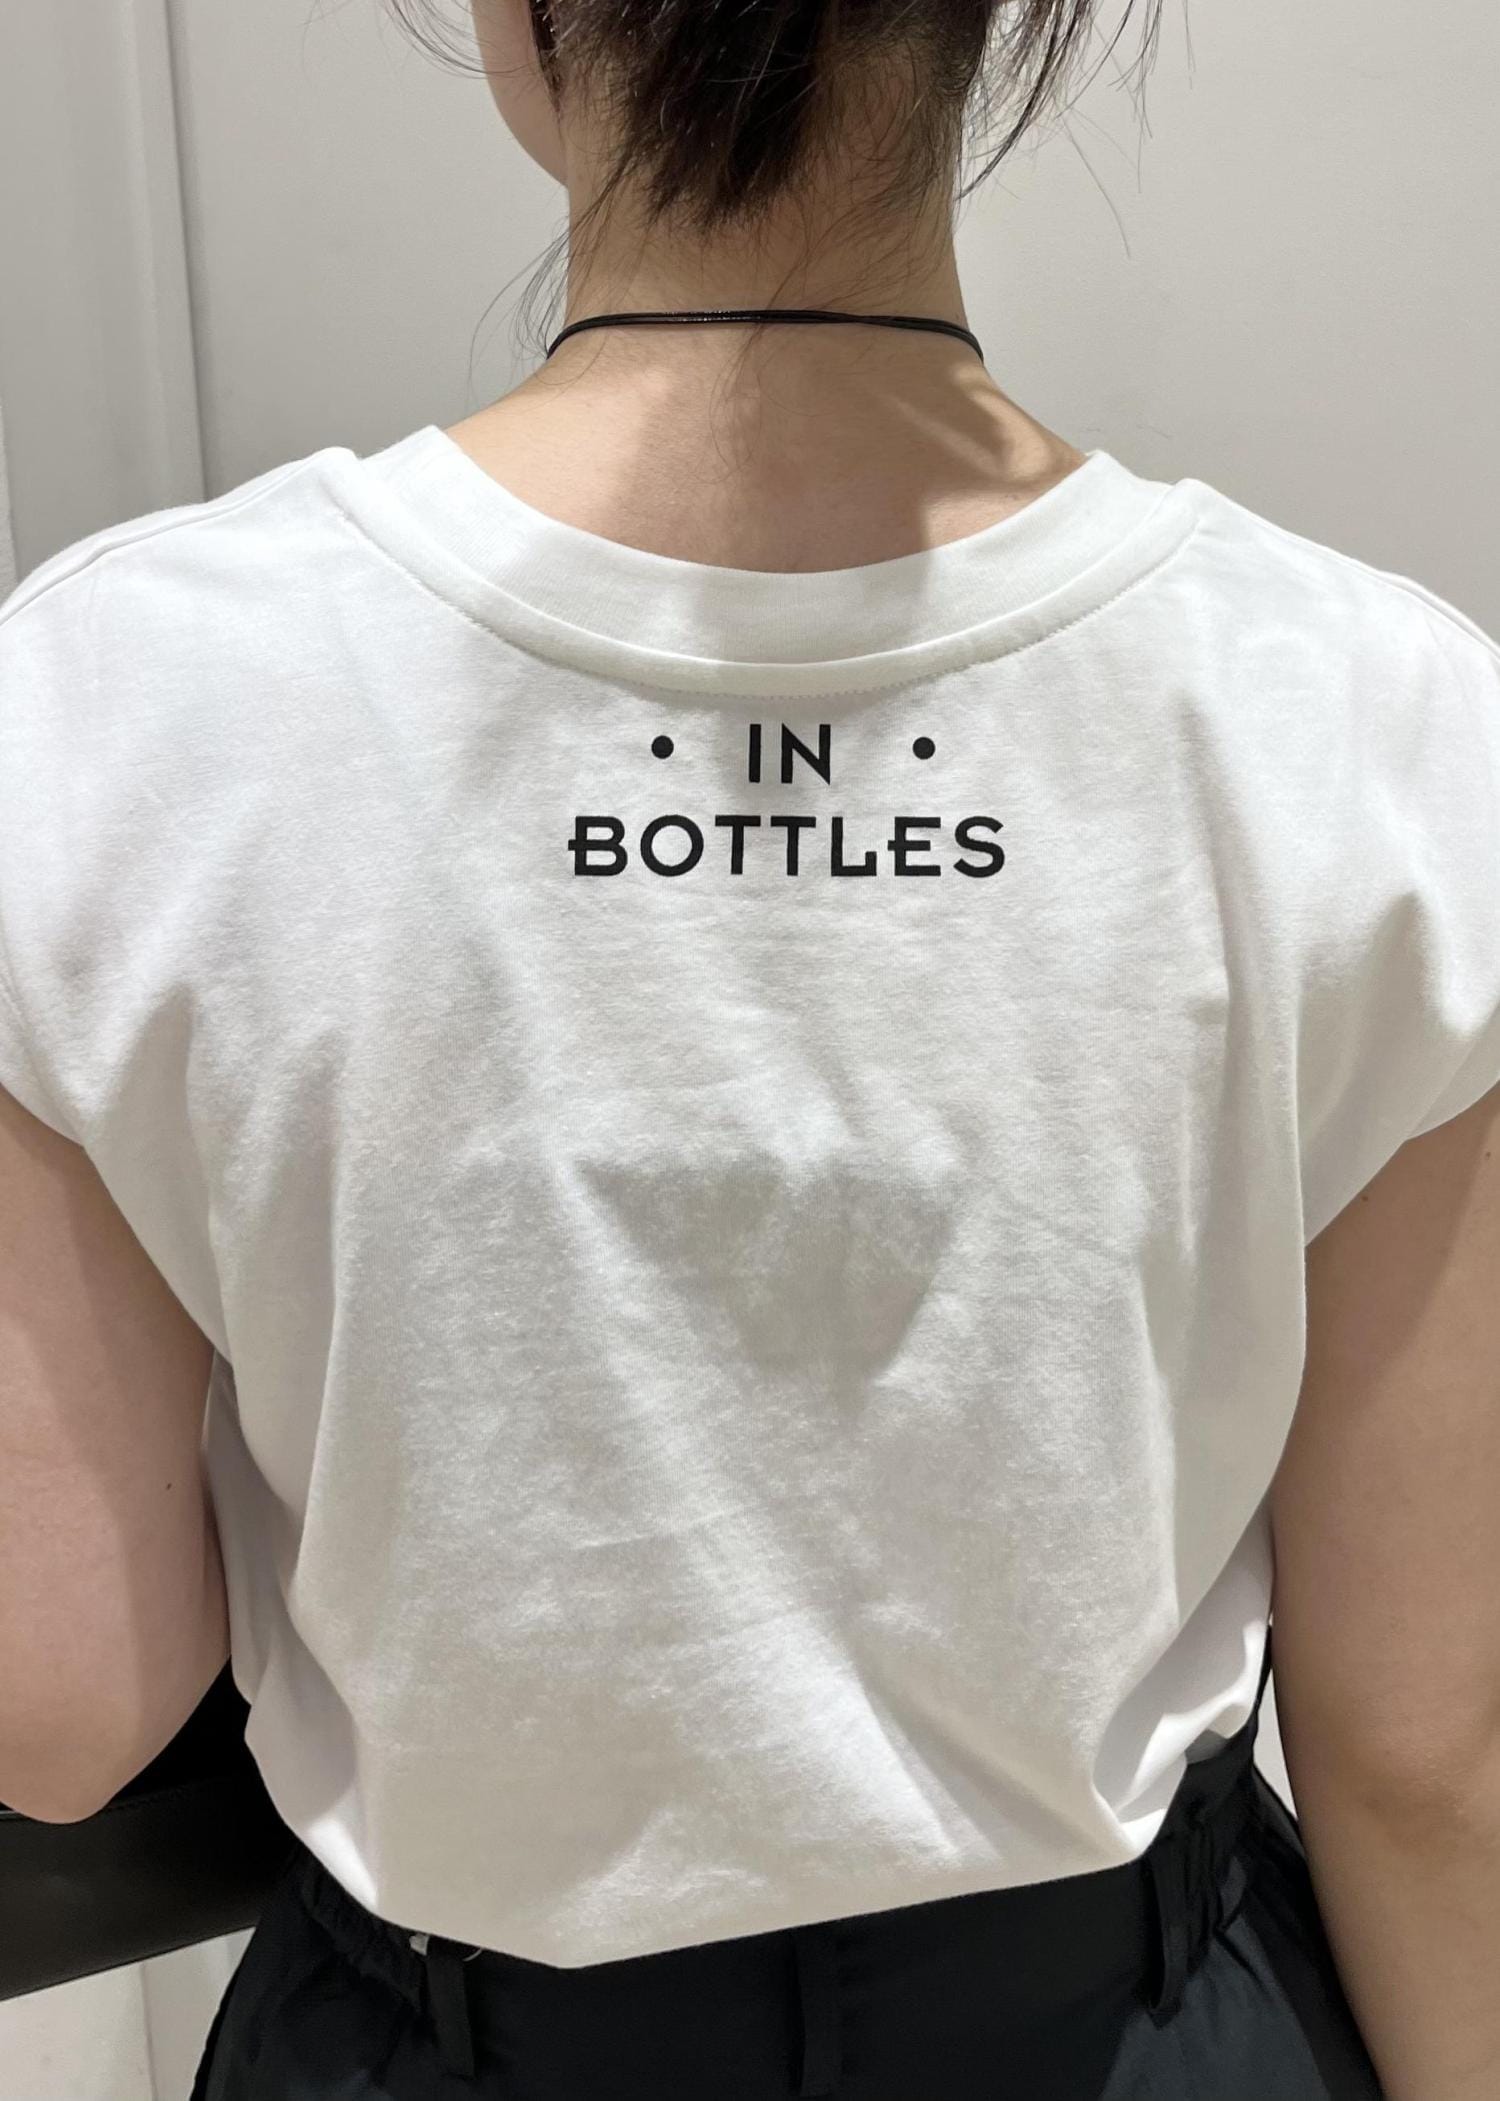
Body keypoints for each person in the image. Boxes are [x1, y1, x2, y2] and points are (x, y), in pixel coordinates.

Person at [0, 0, 1497, 2093]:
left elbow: (64, 1708)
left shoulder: (111, 699)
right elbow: (1423, 1745)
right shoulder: (1373, 718)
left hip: (441, 2043)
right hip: (1132, 2035)